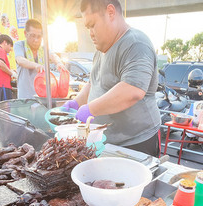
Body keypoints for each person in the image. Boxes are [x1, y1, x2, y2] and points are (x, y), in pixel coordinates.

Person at [63, 0, 161, 156]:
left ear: (110, 12)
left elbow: (133, 90)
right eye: (87, 28)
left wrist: (91, 109)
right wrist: (77, 103)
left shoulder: (135, 43)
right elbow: (94, 83)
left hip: (135, 143)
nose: (90, 33)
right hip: (106, 141)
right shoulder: (101, 51)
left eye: (93, 25)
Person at [14, 18, 63, 99]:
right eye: (33, 36)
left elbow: (53, 55)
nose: (36, 40)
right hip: (25, 99)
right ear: (25, 34)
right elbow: (20, 60)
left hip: (41, 98)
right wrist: (36, 65)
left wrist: (59, 63)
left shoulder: (43, 49)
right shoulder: (20, 45)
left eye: (39, 37)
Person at [0, 34, 16, 101]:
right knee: (6, 108)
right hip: (3, 84)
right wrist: (12, 73)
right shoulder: (0, 50)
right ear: (5, 42)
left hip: (0, 84)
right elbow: (0, 63)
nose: (10, 49)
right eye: (10, 46)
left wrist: (11, 70)